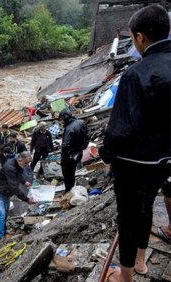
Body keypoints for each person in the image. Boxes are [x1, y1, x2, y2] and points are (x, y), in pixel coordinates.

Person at [99, 5, 171, 281]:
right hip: (164, 162)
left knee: (128, 219)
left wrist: (105, 154)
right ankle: (141, 262)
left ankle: (126, 276)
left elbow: (119, 129)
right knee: (147, 207)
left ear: (140, 37)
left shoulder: (136, 74)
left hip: (135, 165)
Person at [0, 152, 36, 240]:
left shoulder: (19, 165)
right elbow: (14, 187)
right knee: (1, 213)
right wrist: (27, 199)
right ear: (20, 160)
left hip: (6, 193)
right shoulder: (9, 167)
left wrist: (24, 182)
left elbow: (19, 175)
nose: (26, 166)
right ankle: (0, 237)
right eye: (26, 163)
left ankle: (3, 230)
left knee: (5, 213)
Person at [59, 108, 89, 192]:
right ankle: (72, 188)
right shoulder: (81, 122)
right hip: (79, 153)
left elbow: (65, 145)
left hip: (69, 156)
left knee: (67, 175)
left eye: (62, 119)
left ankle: (69, 191)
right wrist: (82, 147)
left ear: (65, 117)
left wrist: (63, 158)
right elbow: (87, 136)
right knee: (72, 172)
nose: (61, 121)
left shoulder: (69, 129)